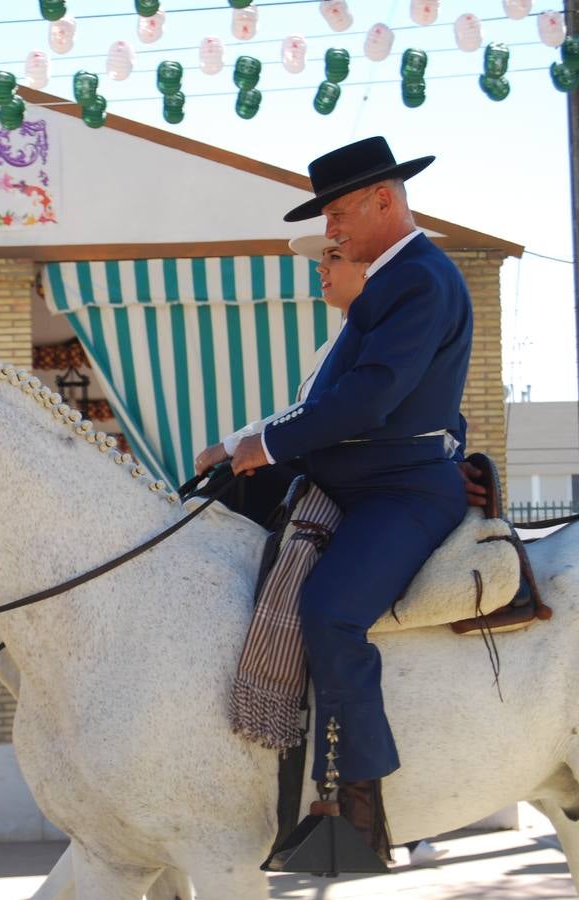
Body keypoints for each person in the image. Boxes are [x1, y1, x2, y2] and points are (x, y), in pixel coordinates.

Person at [196, 137, 473, 862]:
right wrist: (240, 450)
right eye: (328, 219)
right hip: (346, 481)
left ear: (385, 198)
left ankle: (363, 802)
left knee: (330, 612)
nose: (332, 233)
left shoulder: (419, 280)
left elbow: (370, 399)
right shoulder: (391, 283)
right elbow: (339, 402)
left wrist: (261, 444)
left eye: (339, 214)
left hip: (400, 492)